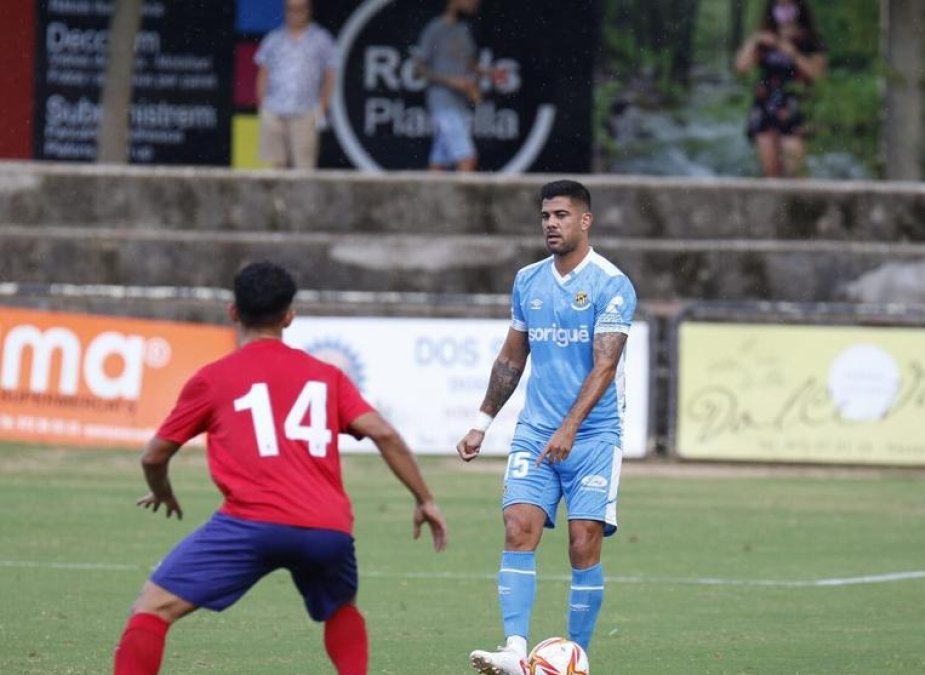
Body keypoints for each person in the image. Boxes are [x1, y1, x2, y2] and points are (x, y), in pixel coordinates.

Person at [111, 261, 448, 675]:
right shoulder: (327, 377)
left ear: (233, 311)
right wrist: (425, 498)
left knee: (152, 608)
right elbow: (386, 435)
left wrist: (160, 488)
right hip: (327, 528)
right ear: (290, 316)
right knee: (340, 609)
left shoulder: (213, 378)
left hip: (250, 524)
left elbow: (153, 456)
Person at [457, 180, 637, 675]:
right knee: (518, 527)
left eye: (561, 215)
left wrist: (571, 428)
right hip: (536, 432)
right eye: (545, 216)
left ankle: (575, 656)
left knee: (583, 542)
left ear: (585, 221)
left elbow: (604, 367)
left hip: (595, 437)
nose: (551, 224)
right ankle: (515, 650)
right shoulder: (528, 281)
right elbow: (512, 358)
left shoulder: (611, 284)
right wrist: (482, 422)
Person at [734, 0, 827, 178]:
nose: (783, 11)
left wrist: (791, 52)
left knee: (796, 171)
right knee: (770, 171)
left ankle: (800, 205)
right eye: (780, 6)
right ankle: (775, 206)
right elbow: (741, 67)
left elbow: (817, 74)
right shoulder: (765, 37)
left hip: (795, 104)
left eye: (788, 6)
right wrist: (754, 41)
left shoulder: (810, 38)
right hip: (765, 103)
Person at [254, 0, 337, 169]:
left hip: (305, 111)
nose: (295, 14)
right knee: (277, 165)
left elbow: (330, 74)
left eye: (299, 9)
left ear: (308, 10)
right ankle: (277, 197)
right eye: (290, 9)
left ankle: (303, 197)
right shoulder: (274, 39)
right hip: (274, 108)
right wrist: (262, 103)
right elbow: (263, 73)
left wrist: (322, 105)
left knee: (304, 167)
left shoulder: (321, 39)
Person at [414, 0, 483, 172]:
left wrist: (488, 72)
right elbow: (418, 69)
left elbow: (467, 63)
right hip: (442, 102)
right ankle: (466, 200)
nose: (475, 3)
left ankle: (425, 199)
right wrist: (451, 81)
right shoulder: (435, 28)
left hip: (460, 104)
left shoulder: (463, 30)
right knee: (467, 158)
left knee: (439, 163)